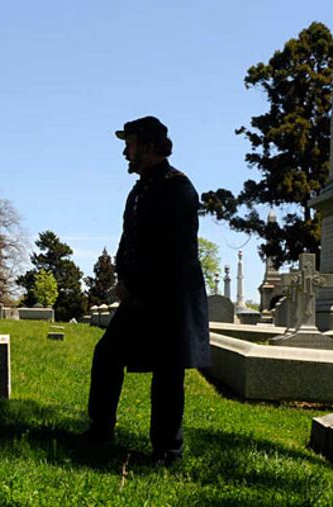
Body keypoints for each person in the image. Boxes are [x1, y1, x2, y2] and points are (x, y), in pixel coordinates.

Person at [84, 116, 211, 466]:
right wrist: (123, 279)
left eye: (131, 144)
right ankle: (101, 428)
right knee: (107, 353)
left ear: (150, 146)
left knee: (167, 375)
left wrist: (136, 284)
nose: (126, 151)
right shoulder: (140, 189)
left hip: (170, 297)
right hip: (139, 296)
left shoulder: (178, 188)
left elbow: (171, 248)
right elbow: (130, 241)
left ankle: (167, 452)